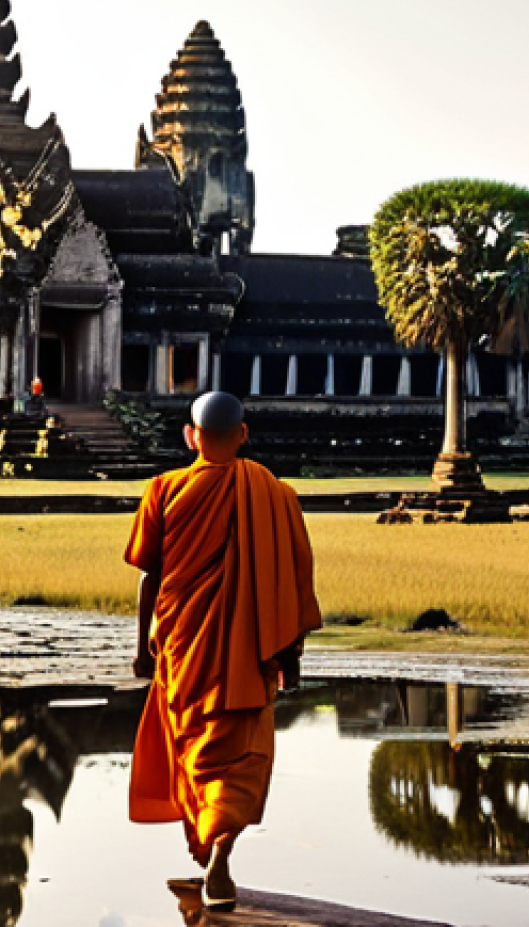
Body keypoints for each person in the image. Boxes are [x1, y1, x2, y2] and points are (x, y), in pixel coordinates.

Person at [125, 391, 321, 922]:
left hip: (183, 651)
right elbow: (294, 583)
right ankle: (222, 854)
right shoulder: (274, 494)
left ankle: (212, 852)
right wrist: (291, 658)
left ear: (190, 436)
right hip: (249, 655)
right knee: (238, 758)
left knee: (194, 750)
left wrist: (142, 645)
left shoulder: (164, 490)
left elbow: (150, 576)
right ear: (243, 434)